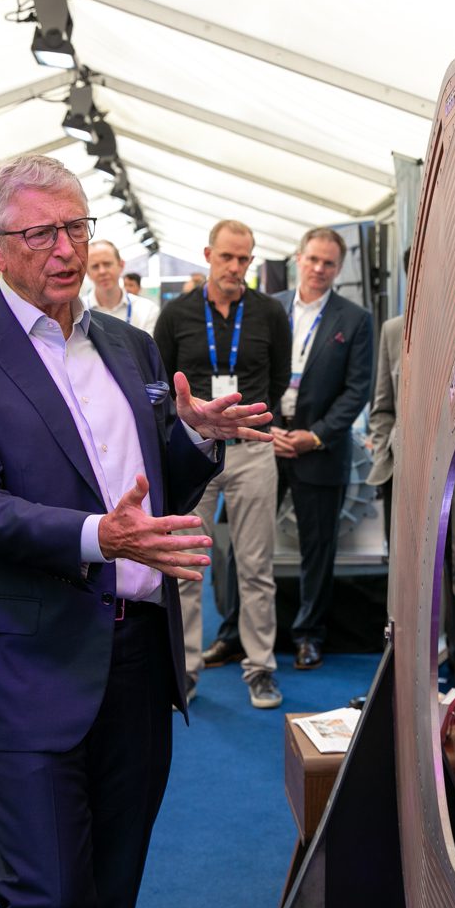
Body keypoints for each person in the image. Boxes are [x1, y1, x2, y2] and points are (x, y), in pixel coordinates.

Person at [0, 155, 270, 908]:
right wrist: (100, 537)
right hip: (24, 661)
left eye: (77, 227)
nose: (66, 249)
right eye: (42, 233)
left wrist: (196, 436)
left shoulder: (131, 346)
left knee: (111, 894)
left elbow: (148, 489)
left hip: (137, 660)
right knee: (50, 895)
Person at [205, 228, 373, 671]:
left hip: (320, 450)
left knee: (318, 549)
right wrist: (270, 427)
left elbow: (357, 391)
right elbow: (246, 372)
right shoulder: (265, 308)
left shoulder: (354, 320)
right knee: (244, 545)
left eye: (329, 263)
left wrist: (314, 435)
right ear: (298, 258)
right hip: (263, 443)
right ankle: (233, 636)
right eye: (313, 259)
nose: (319, 269)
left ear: (339, 269)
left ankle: (308, 635)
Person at [154, 220, 290, 707]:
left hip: (252, 451)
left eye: (244, 259)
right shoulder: (177, 314)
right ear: (208, 255)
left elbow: (277, 378)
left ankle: (259, 668)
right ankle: (185, 670)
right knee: (187, 564)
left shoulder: (270, 312)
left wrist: (250, 422)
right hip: (193, 453)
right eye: (227, 258)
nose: (235, 267)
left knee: (256, 566)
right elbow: (159, 384)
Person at [367, 311, 405, 549]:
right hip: (400, 465)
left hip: (453, 463)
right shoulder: (393, 330)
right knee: (400, 552)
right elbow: (383, 407)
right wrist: (383, 453)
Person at [87, 240, 160, 334]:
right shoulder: (77, 313)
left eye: (107, 264)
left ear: (121, 265)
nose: (102, 271)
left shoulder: (147, 310)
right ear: (86, 272)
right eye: (95, 266)